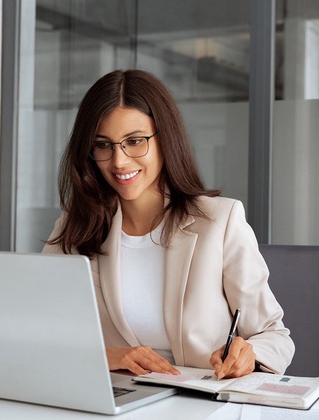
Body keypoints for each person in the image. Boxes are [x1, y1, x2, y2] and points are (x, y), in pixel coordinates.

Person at [42, 69, 293, 379]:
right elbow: (37, 329)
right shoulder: (76, 223)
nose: (119, 161)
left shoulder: (220, 221)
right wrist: (106, 356)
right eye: (103, 145)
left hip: (201, 397)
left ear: (165, 139)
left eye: (135, 141)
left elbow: (275, 335)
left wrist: (250, 355)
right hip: (117, 397)